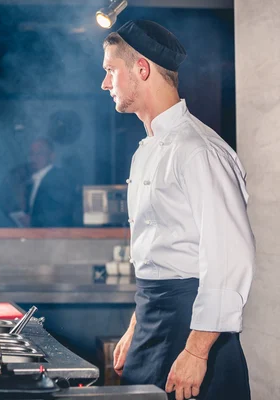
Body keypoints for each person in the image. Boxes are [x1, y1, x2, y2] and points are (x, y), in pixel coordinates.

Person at [101, 20, 254, 400]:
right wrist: (137, 325)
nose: (105, 84)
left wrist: (196, 351)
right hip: (153, 322)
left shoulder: (199, 151)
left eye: (110, 71)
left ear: (141, 69)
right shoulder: (145, 151)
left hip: (196, 329)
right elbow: (162, 256)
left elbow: (230, 257)